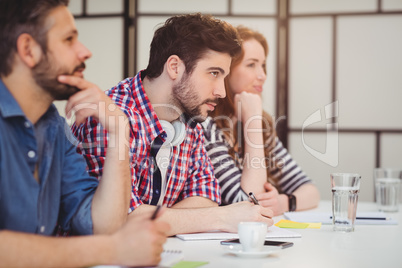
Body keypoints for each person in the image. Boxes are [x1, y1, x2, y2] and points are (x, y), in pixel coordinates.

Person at [0, 0, 169, 267]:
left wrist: (119, 130)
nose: (85, 52)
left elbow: (102, 225)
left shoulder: (54, 126)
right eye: (69, 40)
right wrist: (113, 250)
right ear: (28, 49)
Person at [72, 13, 274, 236]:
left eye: (223, 77)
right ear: (175, 67)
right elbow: (117, 220)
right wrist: (222, 217)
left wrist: (149, 218)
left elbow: (206, 198)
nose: (221, 91)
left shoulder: (190, 120)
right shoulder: (109, 118)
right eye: (213, 73)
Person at [202, 26, 320, 216]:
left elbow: (310, 190)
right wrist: (253, 122)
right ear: (227, 70)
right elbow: (249, 203)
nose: (262, 76)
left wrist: (283, 202)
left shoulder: (259, 124)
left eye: (263, 65)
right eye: (251, 65)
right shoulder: (206, 125)